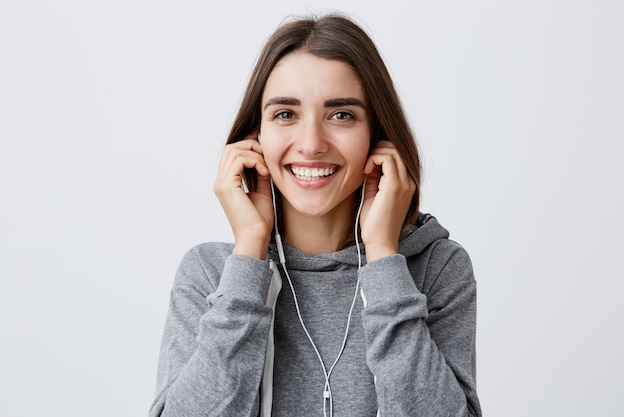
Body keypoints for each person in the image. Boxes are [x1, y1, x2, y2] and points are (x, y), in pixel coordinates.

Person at [150, 13, 482, 417]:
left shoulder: (436, 268)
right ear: (256, 138)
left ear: (376, 136)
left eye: (341, 115)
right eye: (285, 114)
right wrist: (249, 254)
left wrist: (383, 256)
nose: (310, 144)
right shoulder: (210, 274)